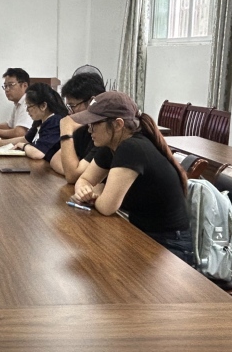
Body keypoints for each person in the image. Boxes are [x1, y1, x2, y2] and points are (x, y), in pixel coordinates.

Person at [70, 91, 193, 265]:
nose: (89, 130)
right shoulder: (111, 145)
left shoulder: (132, 148)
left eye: (94, 124)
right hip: (143, 233)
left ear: (118, 124)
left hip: (169, 245)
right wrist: (84, 191)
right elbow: (84, 180)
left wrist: (97, 192)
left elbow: (107, 207)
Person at [50, 72, 108, 183]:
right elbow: (55, 160)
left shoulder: (106, 133)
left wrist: (66, 129)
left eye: (73, 106)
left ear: (91, 102)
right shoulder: (83, 128)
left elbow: (73, 176)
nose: (69, 112)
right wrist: (71, 171)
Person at [0, 83, 67, 160]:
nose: (27, 110)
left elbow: (38, 153)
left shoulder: (54, 121)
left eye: (29, 106)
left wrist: (23, 146)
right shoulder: (40, 120)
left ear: (43, 106)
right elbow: (26, 139)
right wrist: (0, 143)